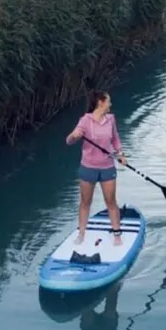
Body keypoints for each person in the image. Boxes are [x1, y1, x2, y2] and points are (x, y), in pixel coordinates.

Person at [66, 89, 125, 245]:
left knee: (111, 201)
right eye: (109, 101)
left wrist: (120, 153)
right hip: (88, 167)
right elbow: (69, 141)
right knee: (86, 202)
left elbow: (116, 139)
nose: (110, 104)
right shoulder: (85, 121)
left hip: (107, 167)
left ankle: (117, 234)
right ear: (101, 102)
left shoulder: (111, 119)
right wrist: (74, 135)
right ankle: (81, 234)